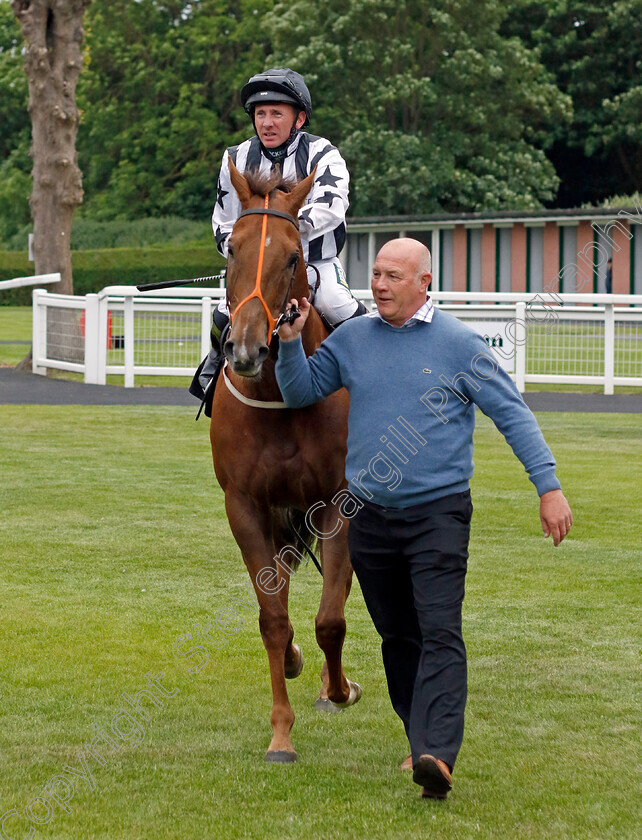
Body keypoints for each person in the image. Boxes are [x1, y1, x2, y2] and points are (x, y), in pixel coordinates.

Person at [274, 238, 573, 800]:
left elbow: (512, 414)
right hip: (369, 517)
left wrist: (548, 486)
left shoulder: (460, 345)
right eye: (376, 275)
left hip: (438, 513)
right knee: (398, 636)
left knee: (439, 630)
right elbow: (300, 392)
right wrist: (291, 342)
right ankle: (418, 741)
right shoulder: (352, 339)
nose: (380, 285)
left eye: (392, 276)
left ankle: (436, 752)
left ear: (423, 283)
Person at [190, 68, 365, 406]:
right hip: (254, 262)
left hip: (315, 261)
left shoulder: (325, 154)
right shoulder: (234, 158)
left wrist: (282, 231)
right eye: (260, 114)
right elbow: (223, 220)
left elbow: (333, 205)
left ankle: (372, 375)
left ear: (299, 119)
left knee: (334, 303)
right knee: (222, 315)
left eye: (276, 113)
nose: (266, 122)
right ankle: (211, 378)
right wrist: (246, 248)